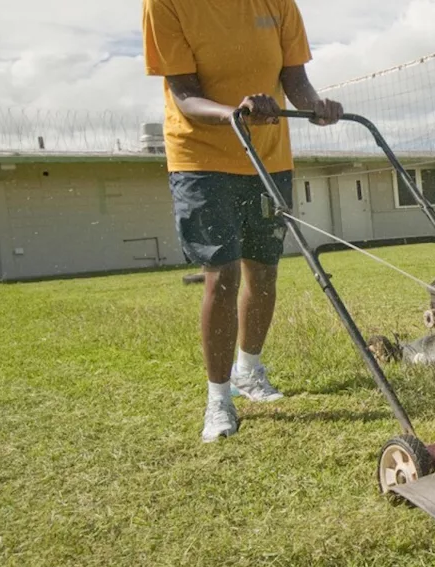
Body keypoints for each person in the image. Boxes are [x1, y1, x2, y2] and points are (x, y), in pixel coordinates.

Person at [143, 0, 343, 442]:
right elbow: (184, 92)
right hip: (201, 157)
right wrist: (236, 110)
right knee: (223, 273)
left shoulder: (278, 3)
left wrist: (315, 106)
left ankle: (249, 372)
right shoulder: (166, 4)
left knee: (264, 270)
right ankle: (219, 399)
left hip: (268, 157)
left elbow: (295, 78)